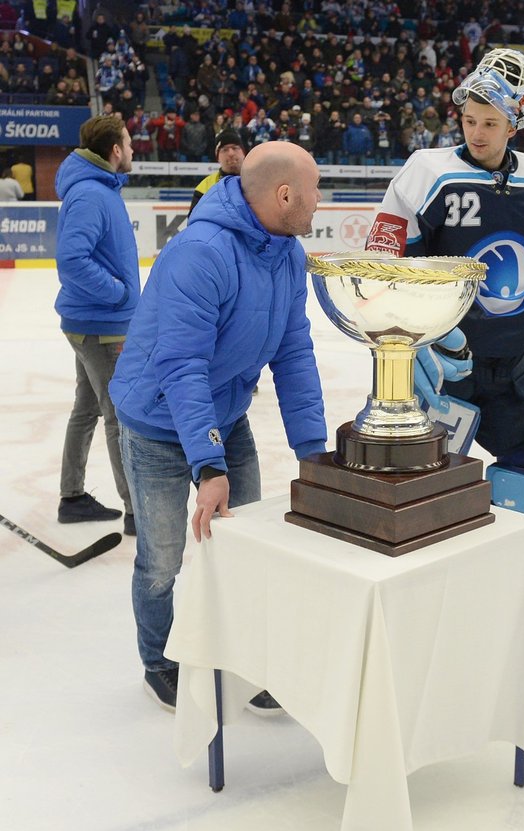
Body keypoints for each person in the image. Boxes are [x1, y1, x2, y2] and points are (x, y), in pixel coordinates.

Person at [109, 142, 328, 713]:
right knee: (163, 558)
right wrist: (208, 465)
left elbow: (294, 351)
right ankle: (159, 659)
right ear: (285, 195)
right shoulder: (201, 253)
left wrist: (313, 450)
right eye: (313, 191)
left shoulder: (288, 254)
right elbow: (181, 368)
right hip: (158, 420)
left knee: (247, 545)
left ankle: (250, 655)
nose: (319, 202)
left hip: (225, 413)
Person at [363, 49, 524, 550]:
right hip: (445, 365)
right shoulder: (427, 171)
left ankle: (506, 560)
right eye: (469, 120)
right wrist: (408, 342)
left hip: (513, 362)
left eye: (490, 122)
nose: (477, 133)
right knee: (418, 490)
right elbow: (387, 265)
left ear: (516, 125)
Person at [54, 115, 139, 534]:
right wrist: (119, 295)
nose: (133, 148)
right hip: (102, 326)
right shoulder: (91, 194)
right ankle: (137, 511)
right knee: (117, 417)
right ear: (115, 150)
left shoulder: (98, 189)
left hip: (92, 323)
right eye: (129, 142)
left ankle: (72, 497)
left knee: (86, 409)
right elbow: (72, 260)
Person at [188, 128, 247, 215]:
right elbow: (194, 221)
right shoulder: (205, 186)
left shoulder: (257, 180)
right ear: (218, 157)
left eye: (235, 148)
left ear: (243, 153)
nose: (231, 153)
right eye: (225, 149)